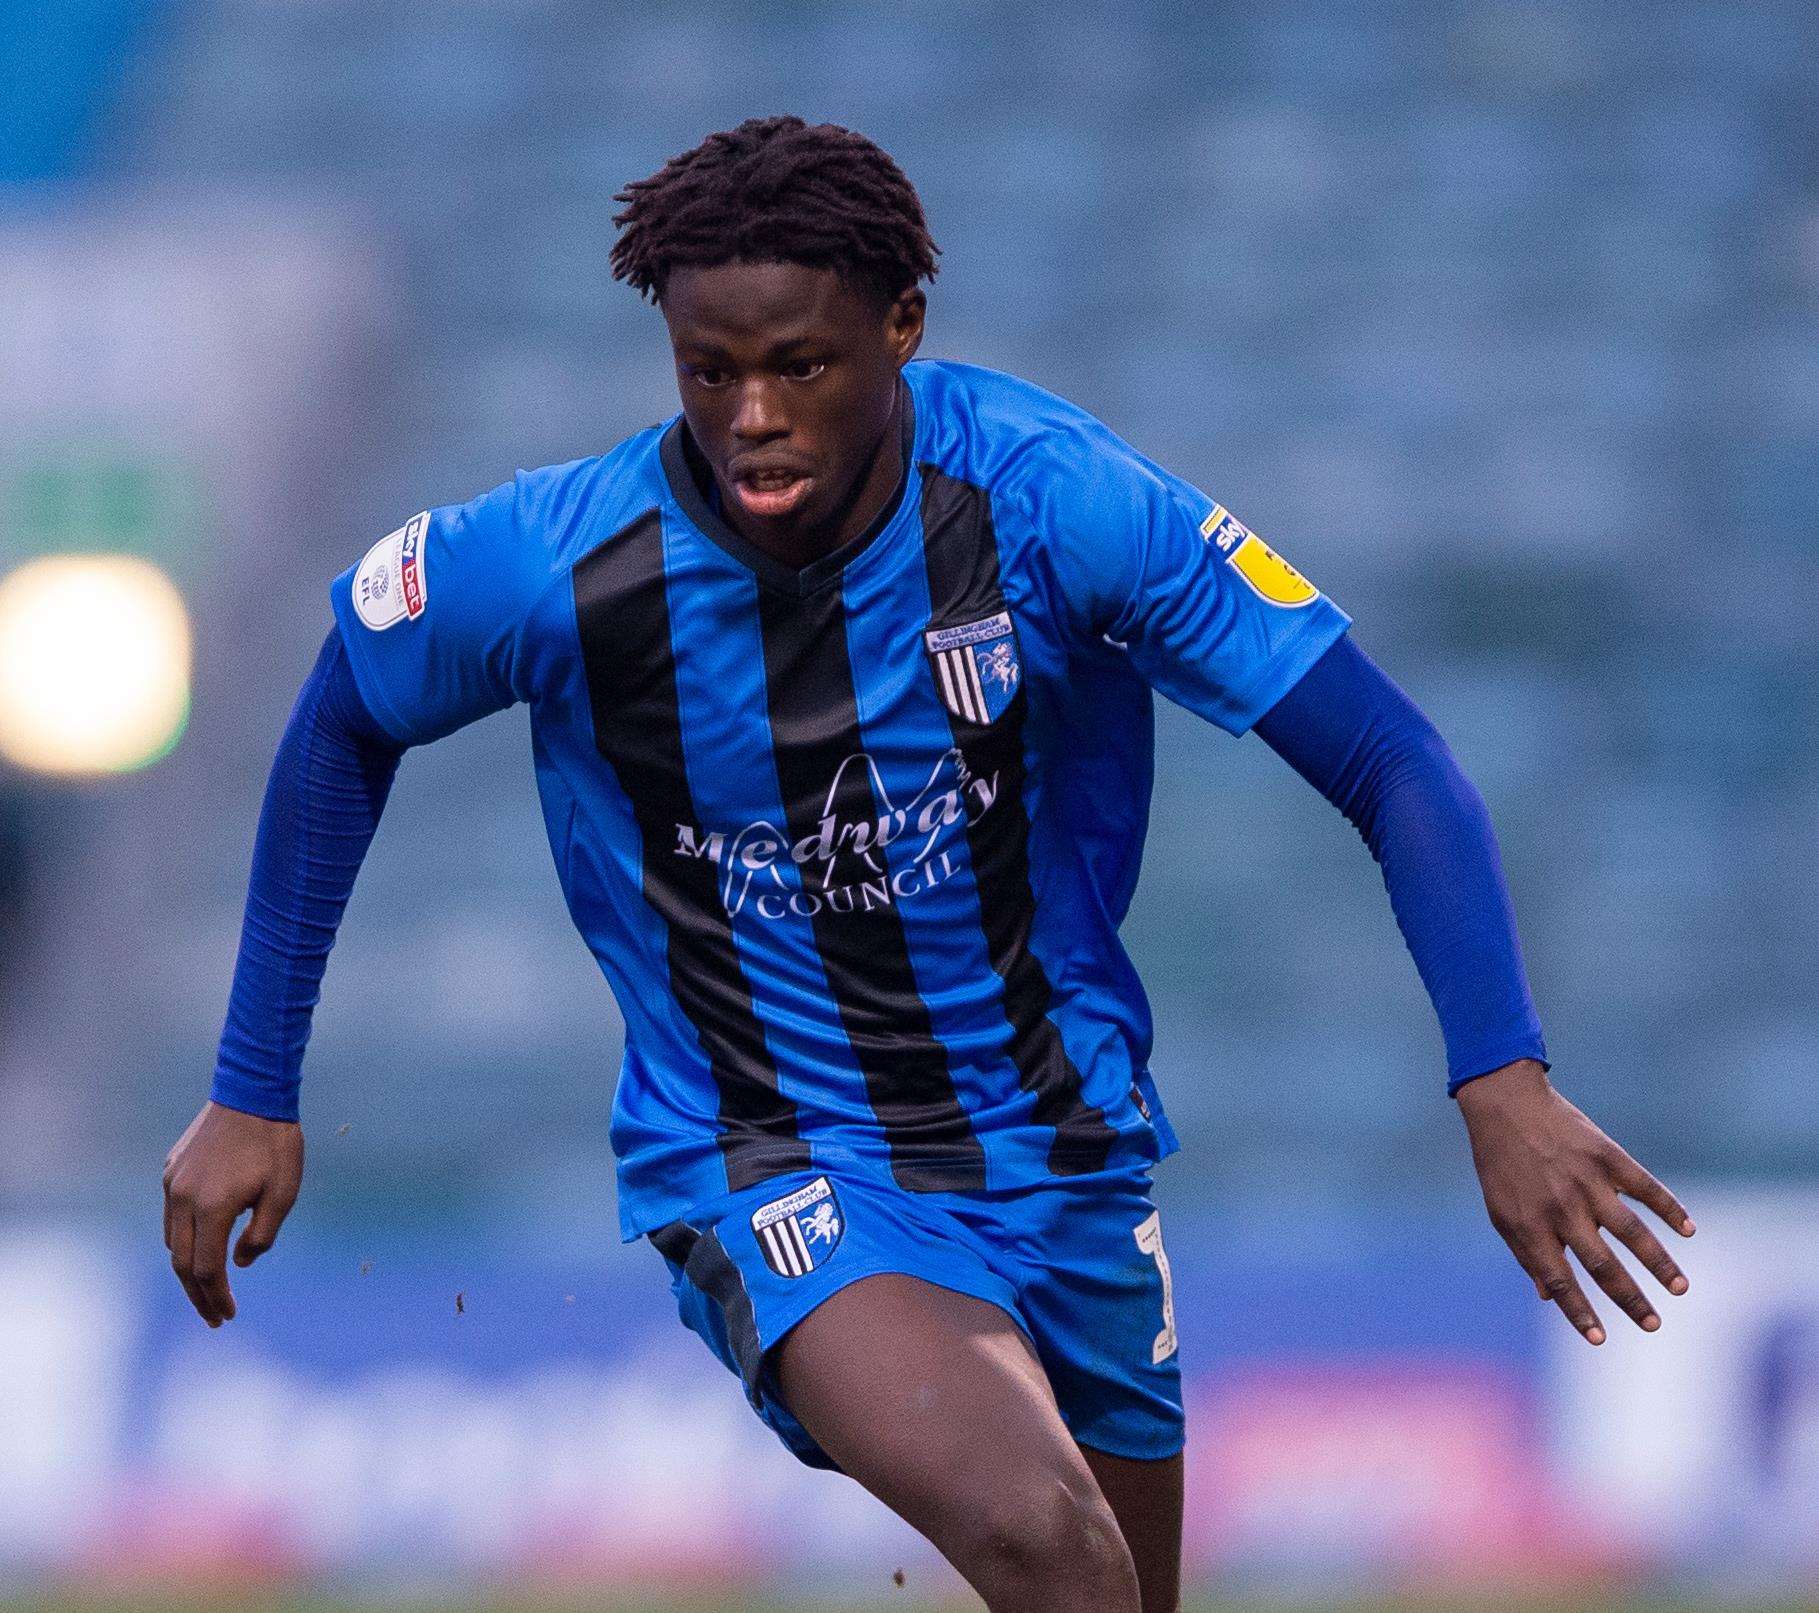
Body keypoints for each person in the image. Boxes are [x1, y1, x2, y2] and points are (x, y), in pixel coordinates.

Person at [163, 116, 1695, 1613]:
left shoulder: (1055, 502)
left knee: (1107, 1587)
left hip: (1068, 1145)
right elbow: (342, 715)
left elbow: (1392, 760)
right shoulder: (562, 563)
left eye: (801, 367)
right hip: (776, 1149)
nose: (752, 414)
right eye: (712, 371)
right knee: (1053, 1546)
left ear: (902, 326)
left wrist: (1503, 1076)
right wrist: (253, 1080)